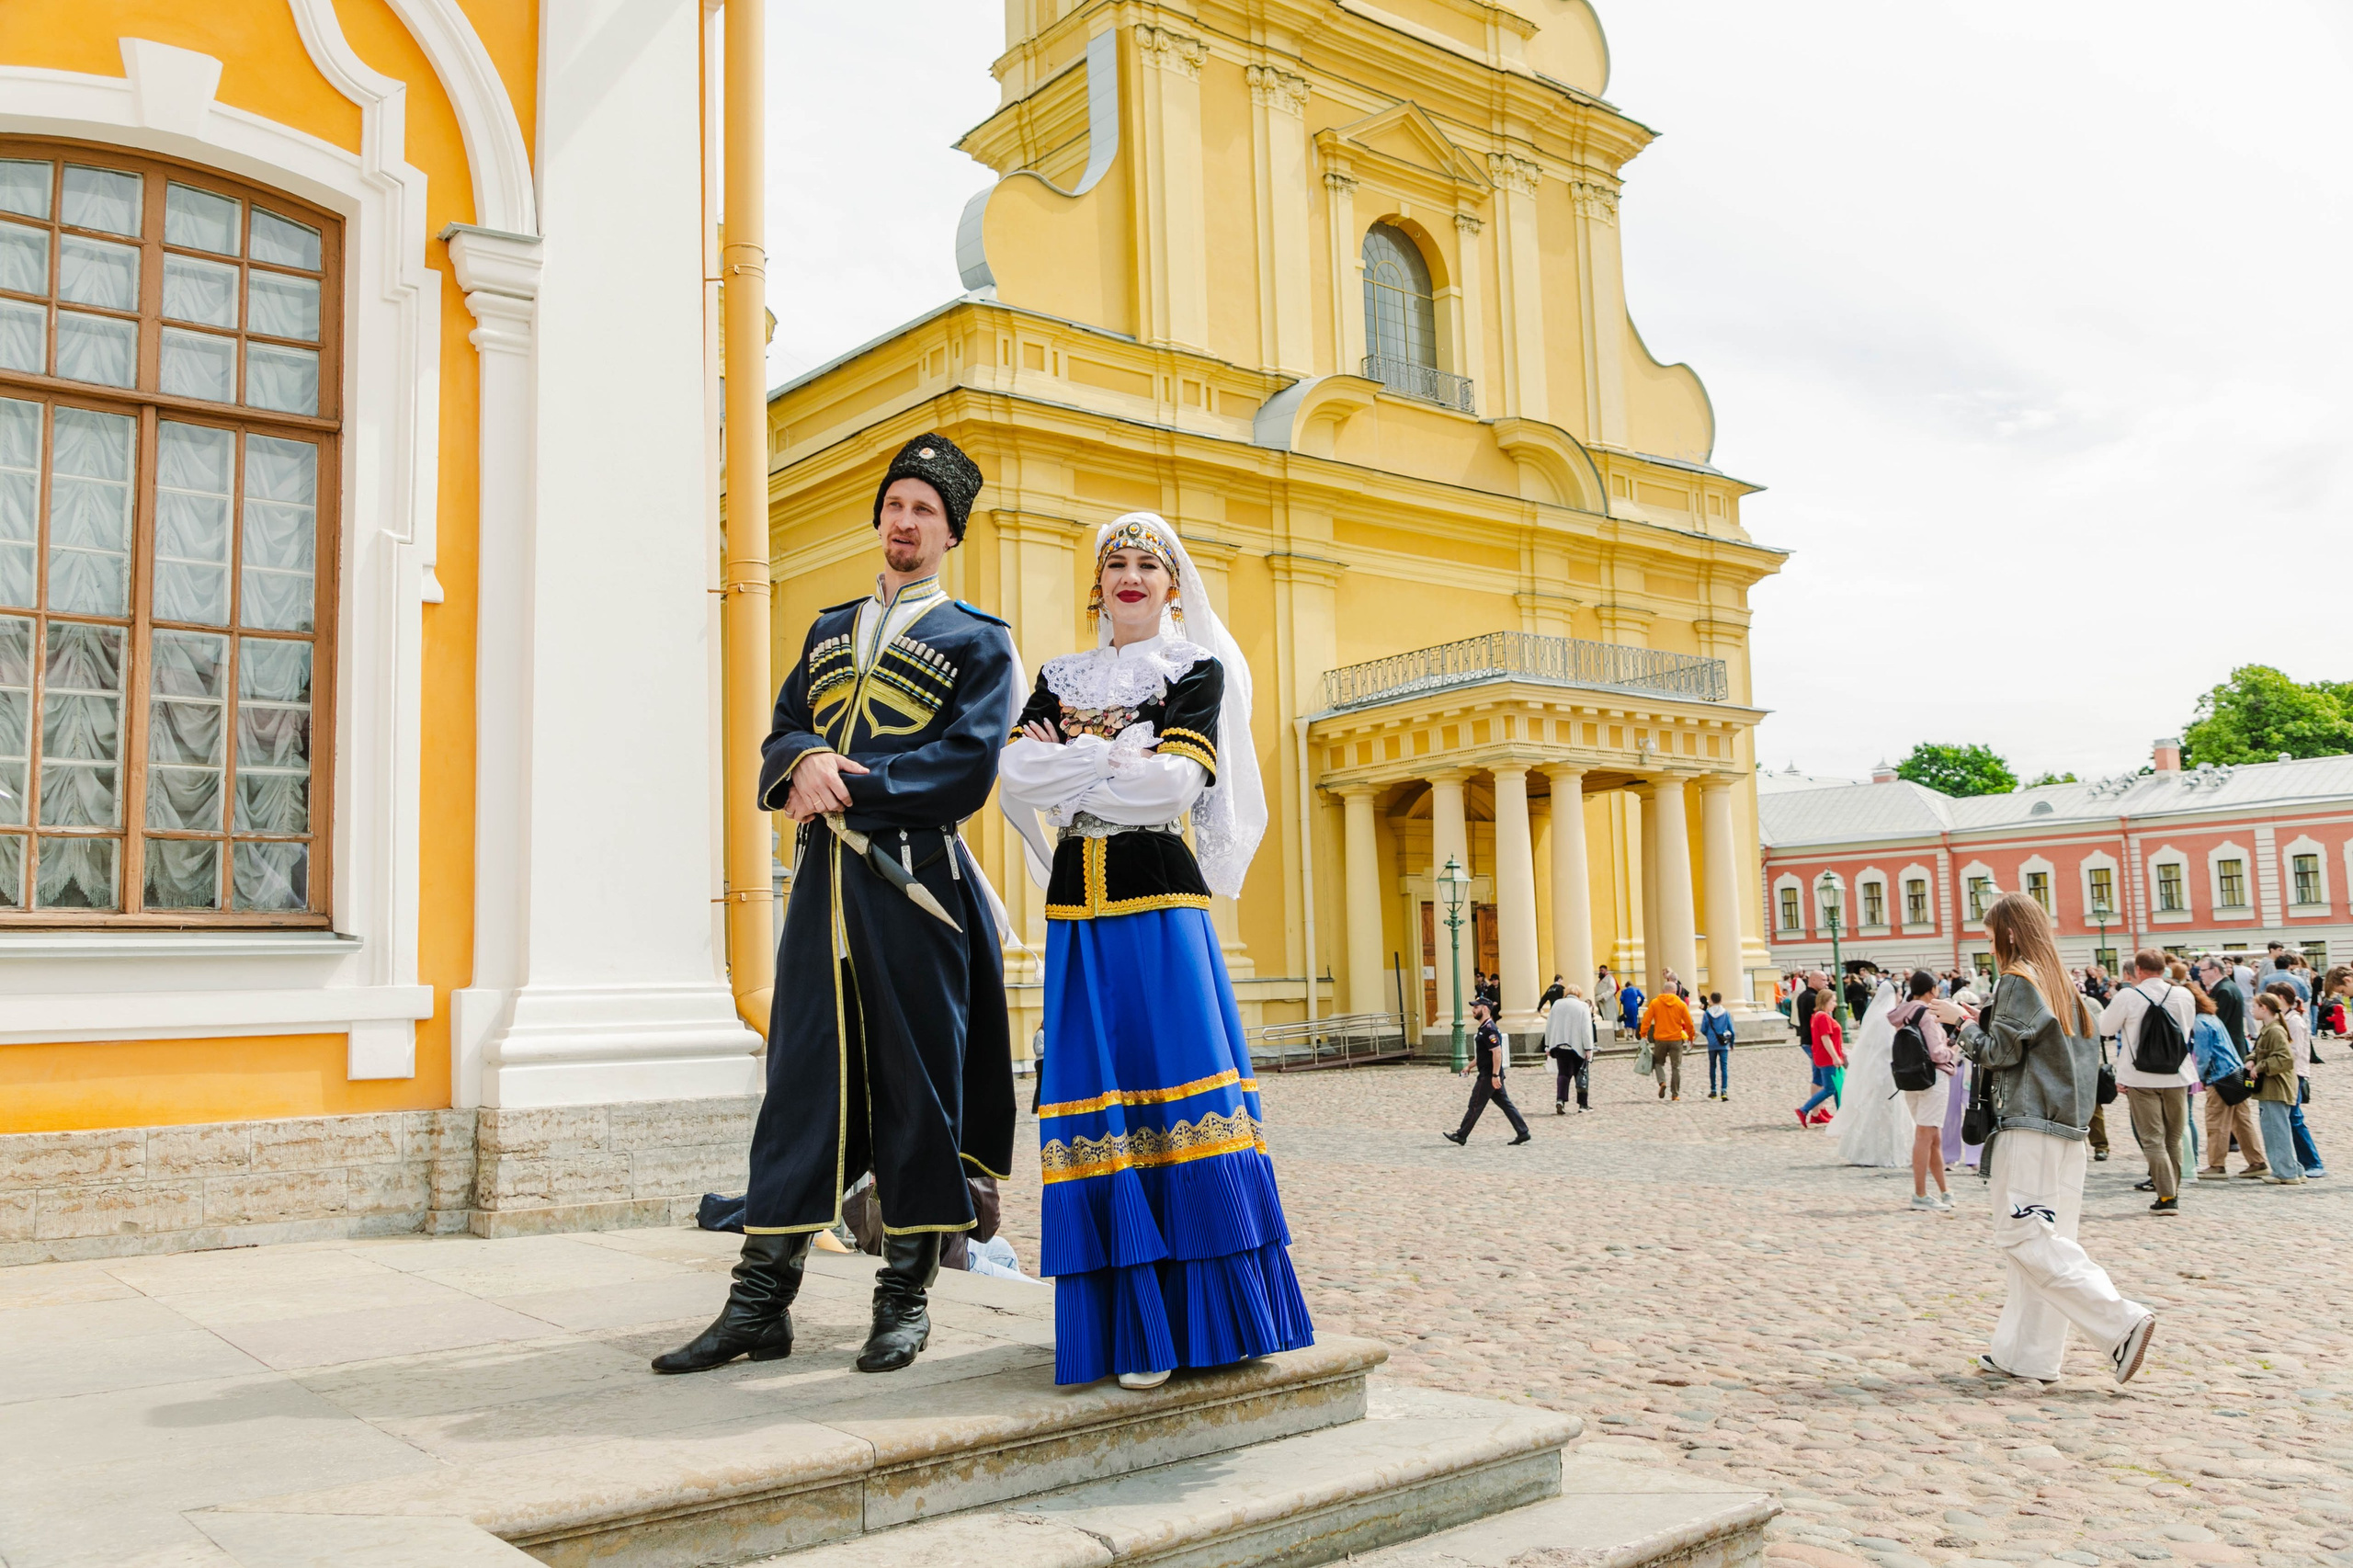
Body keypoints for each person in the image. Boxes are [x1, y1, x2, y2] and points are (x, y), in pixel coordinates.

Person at [659, 434, 1019, 1379]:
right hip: (822, 892)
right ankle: (757, 1303)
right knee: (800, 1088)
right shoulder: (824, 632)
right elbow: (782, 728)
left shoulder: (979, 640)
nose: (906, 522)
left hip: (915, 890)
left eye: (925, 512)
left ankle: (903, 1299)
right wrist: (798, 759)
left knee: (918, 1091)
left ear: (949, 534)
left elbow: (966, 767)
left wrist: (840, 777)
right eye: (896, 504)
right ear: (880, 517)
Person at [997, 509, 1311, 1390]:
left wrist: (1081, 758)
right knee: (1097, 1092)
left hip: (1159, 896)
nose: (1131, 574)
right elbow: (1015, 775)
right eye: (1115, 563)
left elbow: (1176, 783)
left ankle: (1212, 1320)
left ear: (1174, 585)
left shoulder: (1194, 670)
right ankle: (1130, 1329)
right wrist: (1119, 754)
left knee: (1178, 1079)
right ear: (1096, 586)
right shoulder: (1060, 674)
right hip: (1076, 911)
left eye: (1149, 563)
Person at [1927, 892, 2156, 1385]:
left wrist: (1960, 1024)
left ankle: (2120, 1321)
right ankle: (2027, 1355)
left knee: (2024, 1236)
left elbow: (1999, 1053)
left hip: (2030, 1125)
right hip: (2067, 1130)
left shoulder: (2018, 979)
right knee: (2048, 1240)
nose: (1988, 947)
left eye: (1989, 937)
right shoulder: (2065, 986)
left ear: (2009, 933)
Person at [2098, 949, 2198, 1214]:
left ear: (2139, 970)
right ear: (2164, 969)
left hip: (2140, 1076)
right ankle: (2171, 1192)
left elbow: (2104, 1029)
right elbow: (2187, 1030)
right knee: (2174, 1138)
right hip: (2177, 1074)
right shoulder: (2184, 994)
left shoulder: (2129, 996)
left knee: (2153, 1138)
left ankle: (2167, 1197)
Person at [1892, 969, 1961, 1209]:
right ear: (1931, 990)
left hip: (1911, 1078)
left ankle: (1944, 1190)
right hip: (1933, 1078)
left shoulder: (1904, 1012)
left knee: (1933, 1137)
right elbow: (1935, 1052)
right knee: (1925, 1136)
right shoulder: (1926, 1014)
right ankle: (1920, 1195)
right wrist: (1952, 1050)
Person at [2188, 977, 2266, 1181]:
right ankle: (2257, 1162)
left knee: (2216, 1121)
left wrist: (2201, 1078)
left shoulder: (2199, 1023)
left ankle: (2216, 1165)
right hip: (2235, 1073)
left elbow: (2203, 1056)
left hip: (2219, 1077)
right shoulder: (2212, 1017)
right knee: (2242, 1122)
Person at [1831, 978, 1912, 1167]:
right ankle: (1883, 1151)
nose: (1900, 998)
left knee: (1877, 1110)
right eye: (1899, 994)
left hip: (1879, 1069)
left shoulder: (1876, 1016)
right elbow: (1888, 1047)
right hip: (1885, 1072)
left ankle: (1869, 1148)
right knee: (1886, 1111)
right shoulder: (1886, 1019)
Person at [1447, 997, 1532, 1145]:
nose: (1473, 1010)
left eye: (1476, 1007)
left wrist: (1495, 1075)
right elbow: (1484, 1054)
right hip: (1490, 1073)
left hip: (1488, 1076)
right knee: (1505, 1103)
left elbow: (1497, 1052)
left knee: (1475, 1104)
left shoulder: (1489, 1029)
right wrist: (1470, 1066)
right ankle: (1522, 1131)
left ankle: (1461, 1135)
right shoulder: (1484, 1028)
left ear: (1485, 1009)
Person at [2250, 994, 2305, 1186]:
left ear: (2264, 1008)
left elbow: (2285, 1058)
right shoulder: (2268, 1029)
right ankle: (2294, 1169)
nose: (2252, 1010)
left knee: (2276, 1131)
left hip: (2276, 1088)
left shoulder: (2275, 1030)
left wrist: (2260, 1066)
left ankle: (2286, 1172)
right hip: (2271, 1088)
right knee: (2277, 1129)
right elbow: (2259, 1051)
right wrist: (2251, 1059)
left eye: (2254, 1006)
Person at [1798, 983, 1846, 1126]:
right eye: (1833, 1001)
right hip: (1827, 1058)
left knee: (1838, 1087)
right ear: (1826, 1001)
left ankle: (1841, 1116)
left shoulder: (1817, 1016)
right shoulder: (1823, 1017)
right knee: (1830, 1089)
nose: (1835, 1004)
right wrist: (1835, 1057)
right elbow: (1825, 1038)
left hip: (1824, 1057)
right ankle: (1804, 1109)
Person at [1640, 982, 1697, 1102]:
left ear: (1663, 990)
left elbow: (1646, 1020)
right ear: (1675, 992)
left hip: (1660, 1039)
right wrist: (1691, 1037)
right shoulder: (1681, 1004)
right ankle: (1675, 1094)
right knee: (1676, 1067)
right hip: (1676, 1039)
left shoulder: (1655, 1003)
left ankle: (1662, 1082)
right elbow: (1689, 1023)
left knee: (1658, 1062)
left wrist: (1643, 1034)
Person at [1545, 982, 1597, 1113]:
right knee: (1581, 1074)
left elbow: (1549, 1025)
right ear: (1579, 994)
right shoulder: (1583, 1006)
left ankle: (1560, 1100)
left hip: (1559, 1045)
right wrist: (1589, 1048)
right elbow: (1586, 1029)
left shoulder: (1557, 1004)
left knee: (1563, 1073)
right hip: (1577, 1045)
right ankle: (1583, 1104)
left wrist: (1548, 1045)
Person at [1701, 991, 1736, 1100]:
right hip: (1723, 1043)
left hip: (1712, 1043)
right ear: (1721, 1000)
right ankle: (1724, 1091)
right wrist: (1731, 1043)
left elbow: (1703, 1029)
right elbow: (1731, 1030)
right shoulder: (1726, 1013)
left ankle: (1713, 1091)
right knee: (1724, 1067)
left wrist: (1709, 1036)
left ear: (1711, 1001)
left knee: (1712, 1066)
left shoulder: (1707, 1013)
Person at [1595, 966, 1620, 1040]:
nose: (1600, 972)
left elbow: (1612, 989)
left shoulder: (1610, 978)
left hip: (1609, 1001)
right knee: (1604, 1017)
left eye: (1602, 970)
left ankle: (1613, 1035)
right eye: (1600, 970)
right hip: (1600, 1002)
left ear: (1606, 970)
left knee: (1611, 1018)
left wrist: (1602, 996)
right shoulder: (1599, 981)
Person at [1618, 975, 1646, 1039]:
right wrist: (1639, 1004)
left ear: (1626, 985)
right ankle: (1634, 1035)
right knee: (1634, 1019)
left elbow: (1621, 999)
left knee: (1626, 1019)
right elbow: (1643, 997)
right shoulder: (1636, 990)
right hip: (1634, 1006)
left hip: (1626, 1006)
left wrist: (1624, 1002)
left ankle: (1628, 1034)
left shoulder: (1624, 991)